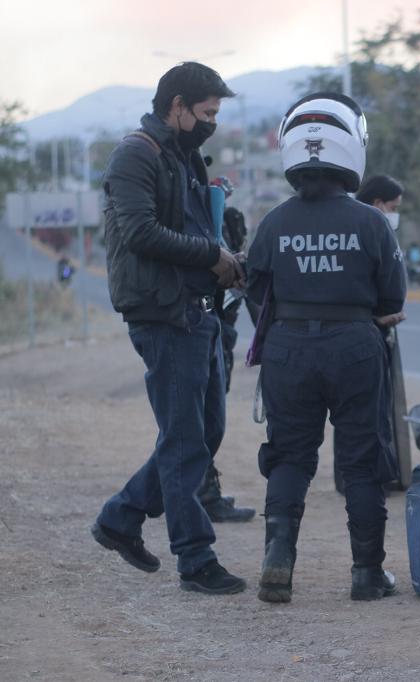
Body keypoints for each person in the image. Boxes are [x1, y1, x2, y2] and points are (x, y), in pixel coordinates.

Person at [91, 62, 247, 595]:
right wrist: (211, 255)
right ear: (177, 106)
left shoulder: (184, 155)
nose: (211, 123)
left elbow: (196, 229)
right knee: (184, 441)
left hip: (198, 310)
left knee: (206, 433)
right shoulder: (137, 154)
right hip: (163, 313)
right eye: (206, 113)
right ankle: (196, 560)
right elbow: (140, 232)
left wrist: (228, 258)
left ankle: (121, 517)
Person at [246, 92, 407, 604]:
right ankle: (367, 574)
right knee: (361, 461)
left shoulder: (274, 221)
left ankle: (277, 562)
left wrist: (286, 329)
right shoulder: (372, 222)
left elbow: (255, 291)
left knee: (289, 458)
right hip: (356, 346)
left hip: (287, 349)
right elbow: (393, 296)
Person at [333, 175, 407, 497]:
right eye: (394, 207)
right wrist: (379, 316)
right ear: (378, 203)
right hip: (365, 332)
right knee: (365, 415)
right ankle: (364, 480)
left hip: (357, 330)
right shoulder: (371, 228)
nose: (396, 214)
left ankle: (365, 476)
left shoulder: (350, 225)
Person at [196, 189, 257, 523]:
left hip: (216, 335)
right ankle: (203, 494)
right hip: (210, 336)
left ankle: (201, 491)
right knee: (204, 423)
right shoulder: (214, 253)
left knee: (204, 422)